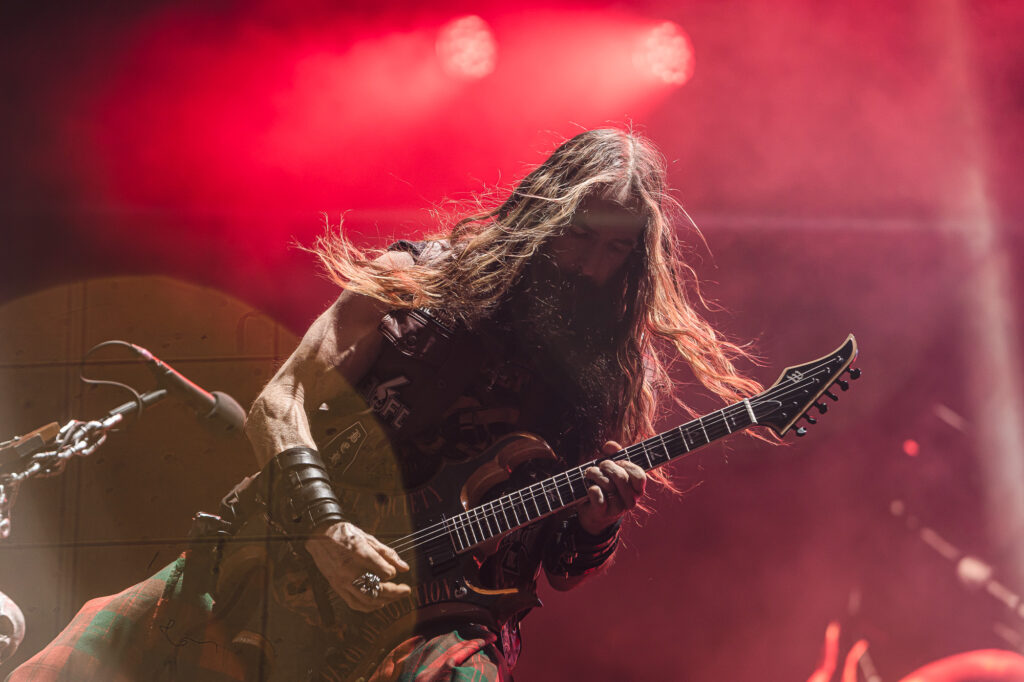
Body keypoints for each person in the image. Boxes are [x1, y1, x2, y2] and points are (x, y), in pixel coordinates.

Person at [8, 128, 762, 682]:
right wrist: (328, 529)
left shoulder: (609, 373)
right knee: (85, 663)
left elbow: (561, 568)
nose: (592, 265)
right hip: (289, 555)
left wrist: (599, 523)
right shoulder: (416, 279)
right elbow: (281, 401)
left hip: (439, 622)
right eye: (583, 237)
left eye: (617, 250)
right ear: (544, 211)